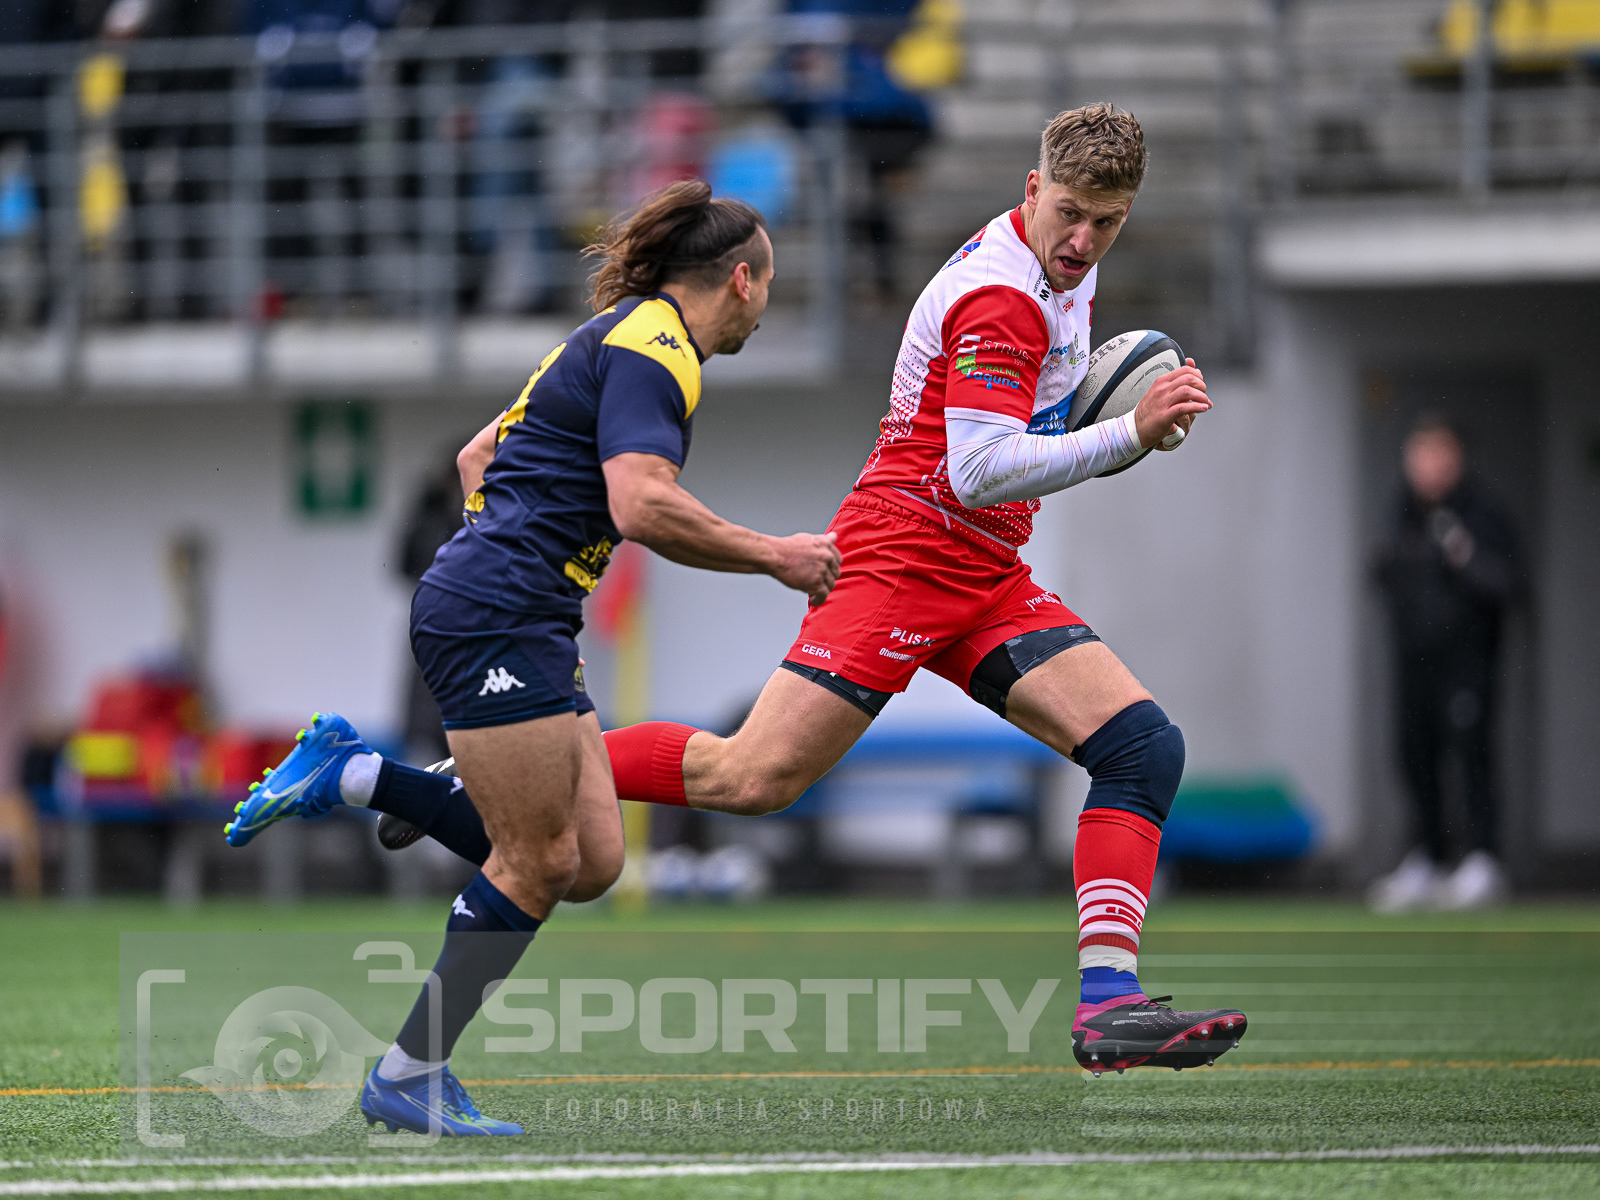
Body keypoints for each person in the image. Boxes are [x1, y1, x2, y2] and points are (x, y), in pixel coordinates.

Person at [245, 104, 1250, 1077]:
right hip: (906, 557)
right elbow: (978, 467)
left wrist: (1098, 424)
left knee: (1140, 747)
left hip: (982, 568)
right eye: (1069, 214)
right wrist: (1123, 432)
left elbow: (1008, 443)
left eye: (1106, 223)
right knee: (750, 779)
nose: (1082, 241)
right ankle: (480, 783)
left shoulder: (1059, 268)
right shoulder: (1000, 298)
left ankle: (1107, 1001)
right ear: (1032, 188)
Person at [224, 180, 840, 1136]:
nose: (766, 308)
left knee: (590, 860)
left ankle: (353, 775)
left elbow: (478, 457)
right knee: (538, 860)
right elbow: (640, 504)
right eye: (770, 287)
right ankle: (408, 1073)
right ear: (742, 280)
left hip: (522, 610)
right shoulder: (658, 352)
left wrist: (514, 554)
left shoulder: (615, 336)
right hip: (500, 612)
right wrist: (777, 556)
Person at [1369, 415, 1520, 911]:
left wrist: (1463, 556)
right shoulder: (1400, 514)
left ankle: (1482, 859)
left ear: (1456, 458)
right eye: (1420, 453)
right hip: (1414, 664)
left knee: (1471, 757)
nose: (1428, 465)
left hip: (1467, 664)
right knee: (1414, 758)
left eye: (1439, 453)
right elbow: (1381, 574)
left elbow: (1509, 586)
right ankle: (1428, 858)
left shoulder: (1484, 515)